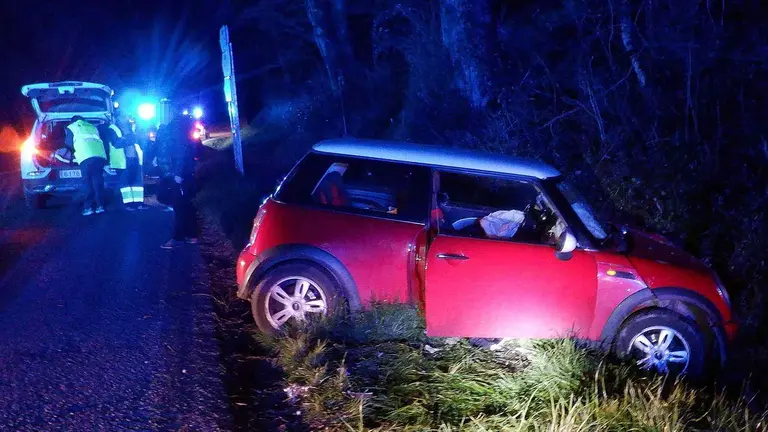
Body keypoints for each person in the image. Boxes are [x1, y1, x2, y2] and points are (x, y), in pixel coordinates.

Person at [156, 114, 199, 249]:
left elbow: (180, 154)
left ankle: (178, 238)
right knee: (185, 205)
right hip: (181, 174)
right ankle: (191, 235)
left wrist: (177, 174)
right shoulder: (182, 130)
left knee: (179, 207)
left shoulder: (174, 131)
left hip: (177, 175)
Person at [65, 116, 108, 216]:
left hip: (85, 156)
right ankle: (100, 206)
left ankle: (88, 207)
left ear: (73, 121)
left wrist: (71, 154)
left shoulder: (72, 127)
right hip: (99, 155)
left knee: (87, 182)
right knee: (98, 181)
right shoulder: (92, 126)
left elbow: (68, 143)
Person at [116, 115, 147, 211]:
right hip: (126, 160)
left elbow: (142, 145)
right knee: (126, 183)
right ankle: (129, 204)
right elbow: (117, 144)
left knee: (137, 183)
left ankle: (138, 203)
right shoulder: (122, 132)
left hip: (136, 160)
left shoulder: (134, 134)